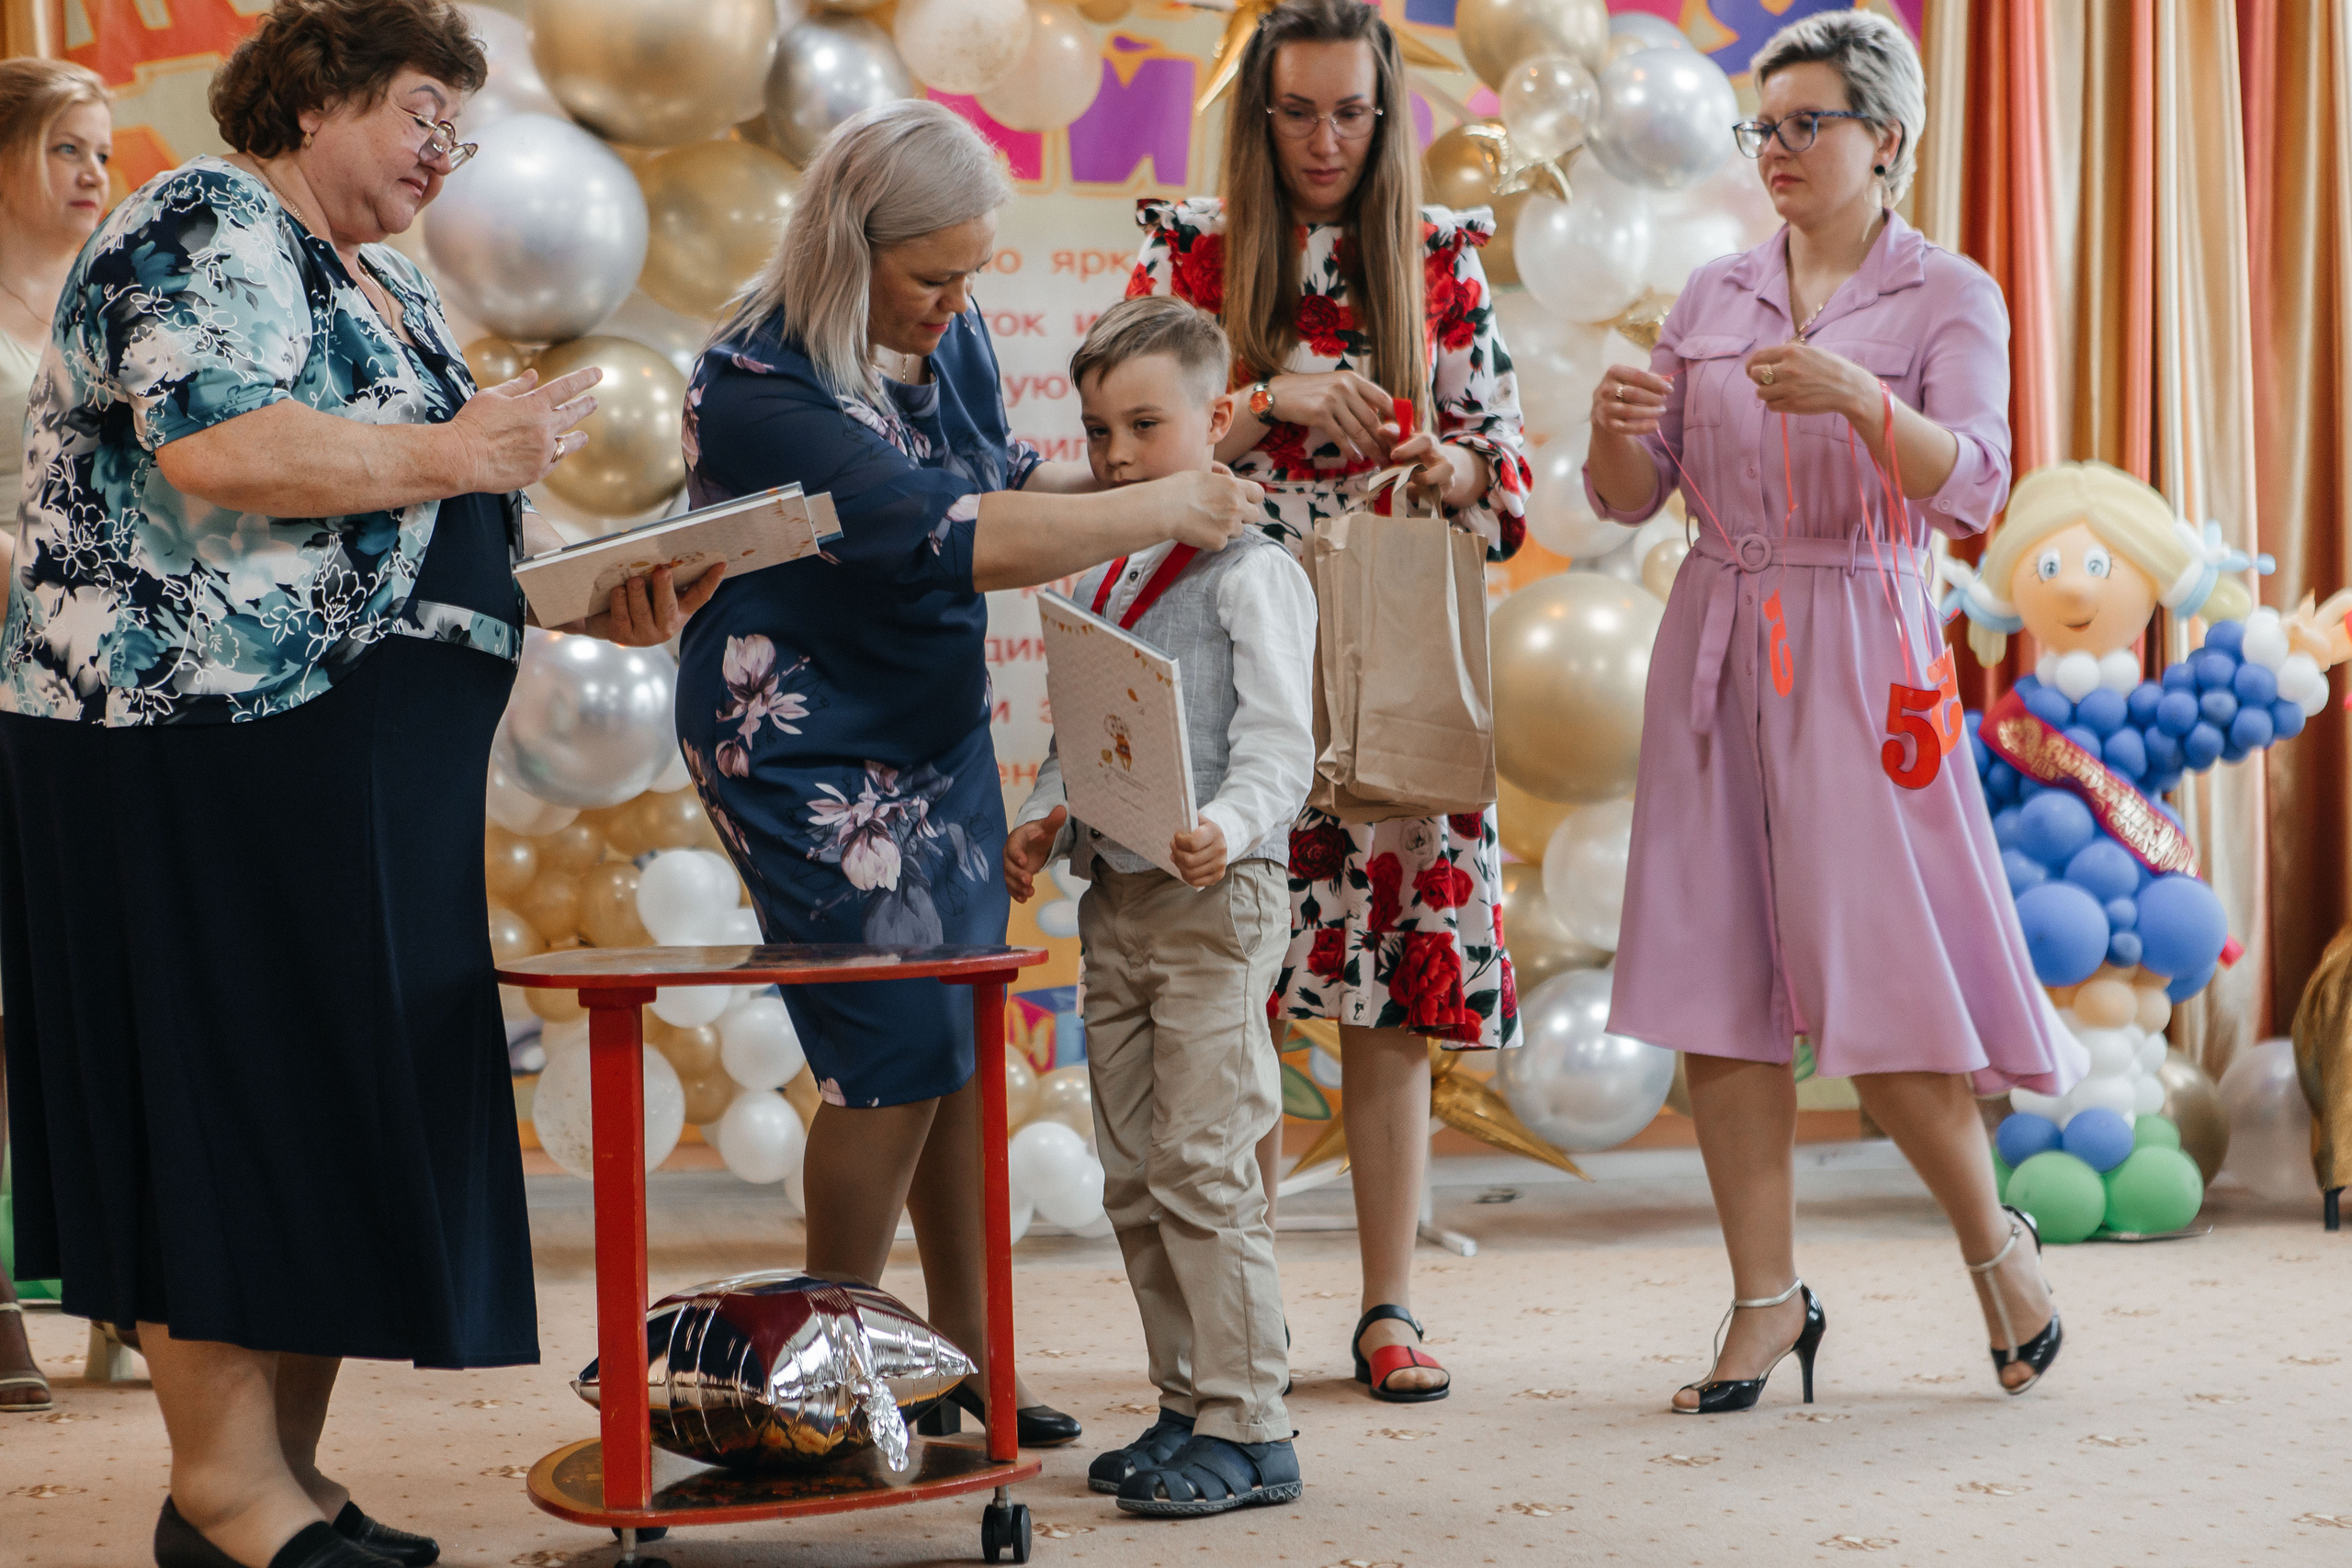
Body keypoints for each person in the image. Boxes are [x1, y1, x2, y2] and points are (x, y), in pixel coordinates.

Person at [0, 6, 710, 1566]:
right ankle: (228, 1490)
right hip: (186, 738)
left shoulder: (379, 275)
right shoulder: (207, 214)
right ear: (316, 97)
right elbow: (226, 448)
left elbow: (405, 531)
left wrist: (594, 593)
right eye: (418, 112)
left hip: (346, 752)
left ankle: (282, 1486)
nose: (446, 152)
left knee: (319, 1108)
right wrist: (473, 458)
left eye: (464, 127)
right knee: (230, 1096)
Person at [675, 99, 1263, 1450]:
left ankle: (961, 1372)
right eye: (934, 274)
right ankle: (824, 1379)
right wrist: (1159, 505)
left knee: (955, 1045)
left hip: (929, 728)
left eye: (975, 272)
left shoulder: (951, 331)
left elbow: (1002, 480)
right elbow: (946, 533)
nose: (960, 300)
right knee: (892, 1048)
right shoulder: (753, 385)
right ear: (848, 246)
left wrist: (1155, 468)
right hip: (804, 744)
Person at [1583, 10, 2066, 1413]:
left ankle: (1996, 1251)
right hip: (1714, 642)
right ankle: (1762, 1306)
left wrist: (1862, 400)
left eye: (1809, 124)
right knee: (1716, 977)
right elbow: (1629, 498)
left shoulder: (1947, 296)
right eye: (1766, 126)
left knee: (1880, 970)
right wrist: (1620, 431)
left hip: (1866, 644)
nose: (1779, 150)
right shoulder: (1715, 292)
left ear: (1887, 140)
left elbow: (1973, 487)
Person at [1126, 0, 1531, 1407]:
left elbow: (1505, 468)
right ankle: (1242, 1316)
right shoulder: (1188, 249)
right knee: (1221, 991)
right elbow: (1132, 452)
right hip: (1228, 665)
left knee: (1386, 999)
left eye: (1350, 111)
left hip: (1386, 662)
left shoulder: (1438, 260)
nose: (1323, 139)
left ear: (1385, 110)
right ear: (1257, 114)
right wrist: (1271, 396)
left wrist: (1447, 471)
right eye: (1295, 111)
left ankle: (1388, 1306)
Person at [1004, 297, 1315, 1517]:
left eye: (1145, 425)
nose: (1119, 455)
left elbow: (1283, 748)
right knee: (1133, 1172)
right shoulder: (1117, 564)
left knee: (1203, 1162)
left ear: (1220, 419)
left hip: (1213, 905)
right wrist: (1043, 810)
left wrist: (1224, 829)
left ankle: (1253, 1424)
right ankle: (1186, 1401)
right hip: (1116, 906)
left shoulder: (1255, 573)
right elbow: (1089, 720)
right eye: (1097, 433)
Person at [0, 54, 108, 1422]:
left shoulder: (102, 302)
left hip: (86, 675)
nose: (92, 172)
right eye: (63, 149)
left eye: (100, 149)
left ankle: (118, 1290)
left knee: (71, 986)